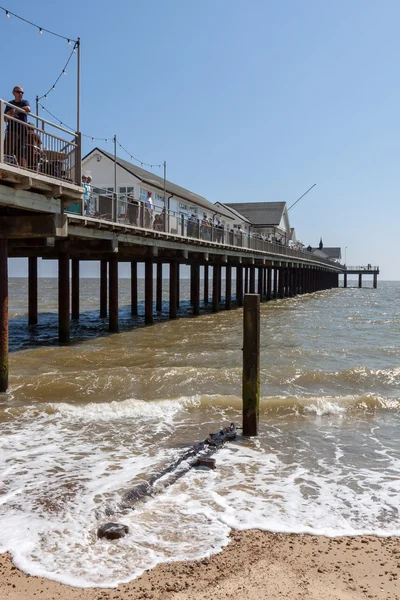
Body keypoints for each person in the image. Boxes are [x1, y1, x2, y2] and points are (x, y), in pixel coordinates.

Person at [4, 86, 31, 167]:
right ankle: (7, 166)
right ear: (13, 93)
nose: (20, 94)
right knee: (8, 151)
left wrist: (15, 110)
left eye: (22, 92)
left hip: (22, 131)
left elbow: (28, 109)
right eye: (18, 92)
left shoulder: (24, 102)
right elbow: (5, 119)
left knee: (21, 152)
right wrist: (8, 114)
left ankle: (23, 170)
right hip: (11, 130)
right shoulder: (9, 104)